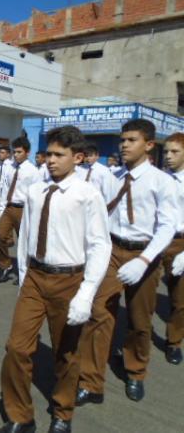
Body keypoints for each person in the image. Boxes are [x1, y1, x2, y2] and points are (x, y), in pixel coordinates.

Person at [0, 125, 111, 433]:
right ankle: (21, 416)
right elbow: (25, 240)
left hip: (69, 280)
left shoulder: (88, 194)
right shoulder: (35, 191)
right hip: (35, 277)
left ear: (78, 157)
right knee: (17, 348)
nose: (51, 160)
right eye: (49, 154)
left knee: (67, 353)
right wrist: (23, 279)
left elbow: (100, 245)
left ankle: (63, 412)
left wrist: (87, 293)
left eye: (60, 155)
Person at [77, 119, 178, 405]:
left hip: (143, 254)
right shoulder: (113, 176)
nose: (123, 145)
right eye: (122, 140)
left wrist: (145, 260)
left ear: (148, 145)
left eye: (131, 140)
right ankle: (90, 380)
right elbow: (102, 214)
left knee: (139, 320)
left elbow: (167, 226)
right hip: (111, 250)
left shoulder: (162, 181)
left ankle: (135, 371)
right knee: (98, 313)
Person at [0, 137, 41, 283]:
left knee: (25, 242)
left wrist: (34, 215)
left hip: (24, 210)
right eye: (14, 152)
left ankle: (25, 270)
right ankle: (5, 266)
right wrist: (1, 208)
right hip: (9, 208)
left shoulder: (33, 171)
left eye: (19, 152)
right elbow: (5, 189)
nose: (16, 155)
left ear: (27, 153)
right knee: (0, 235)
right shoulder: (10, 168)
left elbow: (37, 195)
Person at [161, 132, 184, 365]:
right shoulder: (161, 178)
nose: (168, 156)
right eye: (166, 151)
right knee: (141, 296)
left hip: (180, 242)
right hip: (156, 241)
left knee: (179, 299)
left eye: (174, 152)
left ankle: (174, 341)